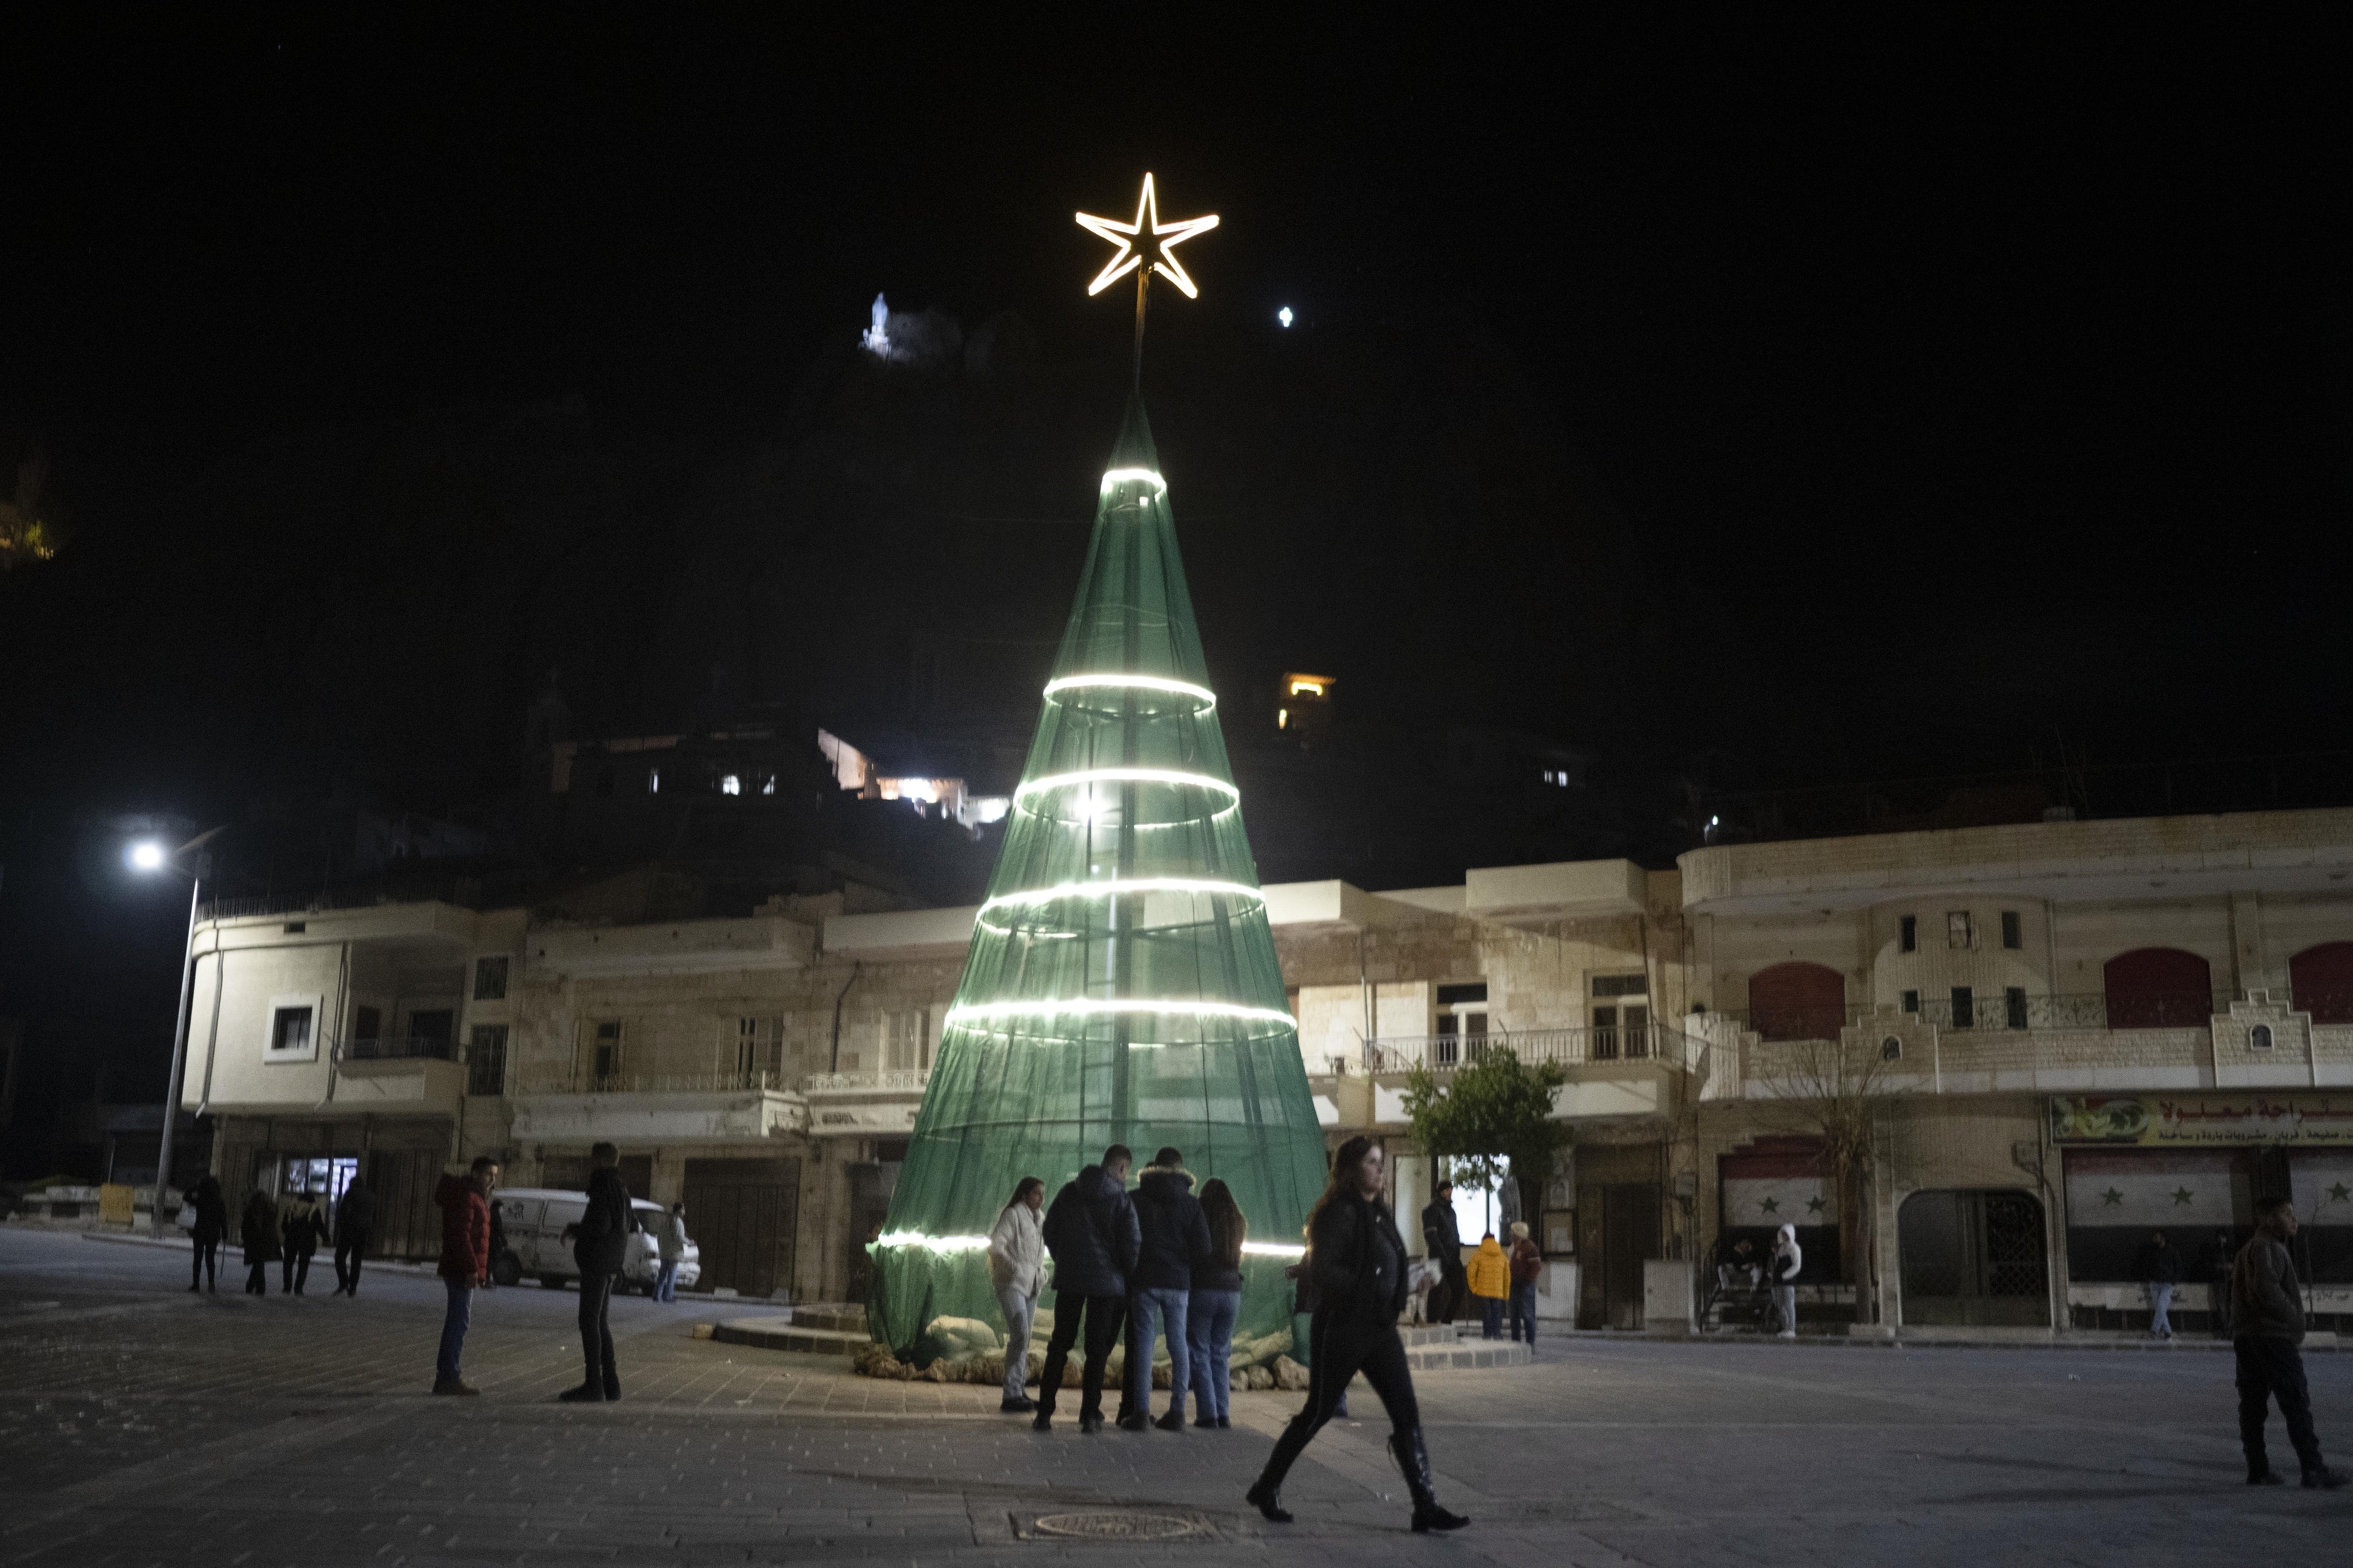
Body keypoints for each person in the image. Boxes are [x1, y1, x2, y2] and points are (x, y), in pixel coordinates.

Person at [1247, 1135, 1469, 1534]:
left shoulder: (1379, 1213)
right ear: (1352, 1169)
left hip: (1379, 1328)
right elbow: (1324, 1270)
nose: (1380, 1169)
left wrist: (1411, 1282)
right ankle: (1267, 1485)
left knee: (1406, 1412)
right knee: (1318, 1412)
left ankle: (1426, 1505)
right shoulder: (1339, 1213)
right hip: (1345, 1326)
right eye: (1371, 1162)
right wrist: (1370, 1286)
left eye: (1381, 1162)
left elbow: (1387, 1267)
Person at [2232, 1196, 2342, 1488]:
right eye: (2287, 1214)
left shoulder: (2246, 1250)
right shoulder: (2267, 1247)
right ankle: (2313, 1469)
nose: (2294, 1220)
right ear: (2268, 1220)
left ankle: (2258, 1470)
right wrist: (2295, 1320)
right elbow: (2266, 1290)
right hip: (2272, 1337)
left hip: (2247, 1337)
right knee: (2296, 1402)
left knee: (2253, 1405)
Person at [1034, 1144, 1141, 1434]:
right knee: (1097, 1351)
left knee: (1059, 1345)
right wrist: (1122, 1273)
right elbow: (1132, 1244)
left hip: (1069, 1280)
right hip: (1107, 1286)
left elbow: (1050, 1230)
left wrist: (1065, 1259)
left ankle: (1044, 1413)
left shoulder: (1070, 1192)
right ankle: (1090, 1415)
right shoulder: (1121, 1200)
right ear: (1121, 1168)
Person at [1124, 1147, 1212, 1433]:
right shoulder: (1191, 1204)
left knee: (1144, 1345)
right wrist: (1184, 1265)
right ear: (1179, 1168)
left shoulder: (1136, 1198)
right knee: (1178, 1345)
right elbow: (1204, 1248)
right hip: (1178, 1283)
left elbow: (1125, 1237)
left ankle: (1141, 1411)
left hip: (1144, 1280)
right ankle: (1177, 1412)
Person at [559, 1142, 635, 1402]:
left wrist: (576, 1230)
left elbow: (599, 1225)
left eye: (592, 1160)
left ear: (600, 1161)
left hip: (598, 1262)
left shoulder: (602, 1187)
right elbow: (626, 1225)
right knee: (600, 1322)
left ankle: (594, 1384)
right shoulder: (621, 1189)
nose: (590, 1165)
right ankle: (611, 1385)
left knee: (589, 1321)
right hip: (612, 1262)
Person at [431, 1155, 498, 1395]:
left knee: (456, 1321)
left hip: (460, 1267)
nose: (493, 1180)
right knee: (459, 1322)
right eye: (490, 1174)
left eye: (494, 1175)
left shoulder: (471, 1195)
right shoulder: (468, 1197)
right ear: (476, 1174)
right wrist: (472, 1268)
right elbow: (462, 1235)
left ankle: (446, 1376)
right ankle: (449, 1377)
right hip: (461, 1269)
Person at [1189, 1177, 1245, 1430]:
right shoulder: (1237, 1221)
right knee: (1221, 1353)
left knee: (1200, 1352)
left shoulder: (1200, 1215)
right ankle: (1223, 1413)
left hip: (1204, 1289)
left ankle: (1207, 1415)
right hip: (1232, 1291)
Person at [987, 1177, 1046, 1413]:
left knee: (1025, 1336)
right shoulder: (1013, 1215)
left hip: (1031, 1285)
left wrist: (1039, 1273)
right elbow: (996, 1246)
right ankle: (1011, 1394)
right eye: (1036, 1194)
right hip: (1011, 1283)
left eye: (1043, 1194)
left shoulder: (1040, 1219)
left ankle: (1018, 1390)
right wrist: (1014, 1268)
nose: (1041, 1199)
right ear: (1024, 1195)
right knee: (1020, 1332)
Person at [1419, 1179, 1465, 1325]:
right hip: (1439, 1257)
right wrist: (1443, 1255)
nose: (1450, 1192)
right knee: (1436, 1291)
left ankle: (1446, 1322)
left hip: (1453, 1256)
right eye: (1447, 1190)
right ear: (1440, 1192)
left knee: (1459, 1289)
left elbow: (1453, 1233)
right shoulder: (1432, 1209)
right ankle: (1432, 1323)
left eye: (1451, 1189)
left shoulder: (1451, 1211)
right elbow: (1431, 1235)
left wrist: (1456, 1250)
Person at [334, 1174, 376, 1297]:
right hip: (363, 1231)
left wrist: (342, 1225)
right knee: (356, 1260)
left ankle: (343, 1282)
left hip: (349, 1230)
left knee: (340, 1257)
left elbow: (343, 1211)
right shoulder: (371, 1196)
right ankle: (353, 1288)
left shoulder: (350, 1194)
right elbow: (374, 1215)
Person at [2138, 1229, 2182, 1340]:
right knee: (2160, 1309)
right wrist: (2149, 1277)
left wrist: (2174, 1280)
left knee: (2161, 1307)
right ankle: (2167, 1331)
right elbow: (2148, 1265)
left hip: (2167, 1284)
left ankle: (2154, 1331)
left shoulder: (2172, 1251)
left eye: (2157, 1237)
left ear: (2163, 1238)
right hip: (2155, 1283)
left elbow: (2179, 1267)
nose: (2154, 1239)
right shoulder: (2153, 1251)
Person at [186, 1174, 226, 1293]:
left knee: (197, 1259)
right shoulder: (219, 1201)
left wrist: (196, 1186)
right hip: (213, 1233)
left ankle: (196, 1284)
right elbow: (223, 1220)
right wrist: (225, 1234)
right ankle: (211, 1283)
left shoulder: (201, 1200)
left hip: (200, 1232)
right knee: (210, 1259)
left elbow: (186, 1196)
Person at [280, 1193, 326, 1295]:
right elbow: (320, 1226)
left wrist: (289, 1233)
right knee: (303, 1266)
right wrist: (326, 1238)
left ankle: (287, 1287)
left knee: (288, 1264)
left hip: (291, 1240)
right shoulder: (313, 1210)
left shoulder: (291, 1208)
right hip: (307, 1241)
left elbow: (284, 1226)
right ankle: (298, 1288)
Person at [1467, 1232, 1508, 1339]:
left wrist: (1474, 1288)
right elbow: (1507, 1277)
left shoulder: (1478, 1255)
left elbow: (1471, 1272)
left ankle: (1487, 1334)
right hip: (1498, 1291)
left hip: (1483, 1290)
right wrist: (1506, 1293)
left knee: (1487, 1314)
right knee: (1497, 1314)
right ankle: (1497, 1334)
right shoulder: (1502, 1256)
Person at [1506, 1220, 1541, 1345]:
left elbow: (1536, 1266)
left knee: (1527, 1314)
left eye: (1513, 1232)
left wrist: (1528, 1279)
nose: (1511, 1234)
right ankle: (1516, 1342)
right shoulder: (1514, 1246)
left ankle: (1530, 1343)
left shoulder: (1530, 1247)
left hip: (1525, 1284)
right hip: (1514, 1283)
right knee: (1514, 1314)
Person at [240, 1187, 280, 1296]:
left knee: (258, 1263)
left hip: (256, 1240)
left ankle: (260, 1288)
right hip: (267, 1240)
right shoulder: (271, 1209)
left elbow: (246, 1227)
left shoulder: (251, 1210)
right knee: (259, 1262)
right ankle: (251, 1285)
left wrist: (244, 1239)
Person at [2200, 1228, 2235, 1339]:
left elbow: (2236, 1263)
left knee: (2231, 1307)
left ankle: (2232, 1331)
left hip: (2230, 1282)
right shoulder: (2214, 1251)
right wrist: (2223, 1267)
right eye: (2220, 1237)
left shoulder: (2230, 1250)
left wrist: (2232, 1269)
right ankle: (2226, 1332)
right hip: (2219, 1281)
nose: (2222, 1240)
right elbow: (2210, 1266)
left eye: (2223, 1237)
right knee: (2222, 1308)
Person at [1769, 1222, 1801, 1339]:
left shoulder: (1795, 1248)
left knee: (1789, 1304)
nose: (1784, 1236)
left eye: (1786, 1234)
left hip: (1788, 1282)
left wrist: (1784, 1276)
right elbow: (1778, 1264)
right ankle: (1785, 1328)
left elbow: (1797, 1266)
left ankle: (1791, 1329)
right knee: (1780, 1305)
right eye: (1783, 1234)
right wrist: (1776, 1277)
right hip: (1779, 1281)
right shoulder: (1782, 1248)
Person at [656, 1202, 689, 1304]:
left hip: (664, 1251)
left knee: (662, 1274)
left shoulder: (665, 1220)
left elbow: (659, 1236)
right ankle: (668, 1296)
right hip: (674, 1253)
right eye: (683, 1208)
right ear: (679, 1210)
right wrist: (690, 1242)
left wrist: (660, 1247)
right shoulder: (678, 1222)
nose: (684, 1211)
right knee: (672, 1276)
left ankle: (657, 1296)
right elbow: (679, 1237)